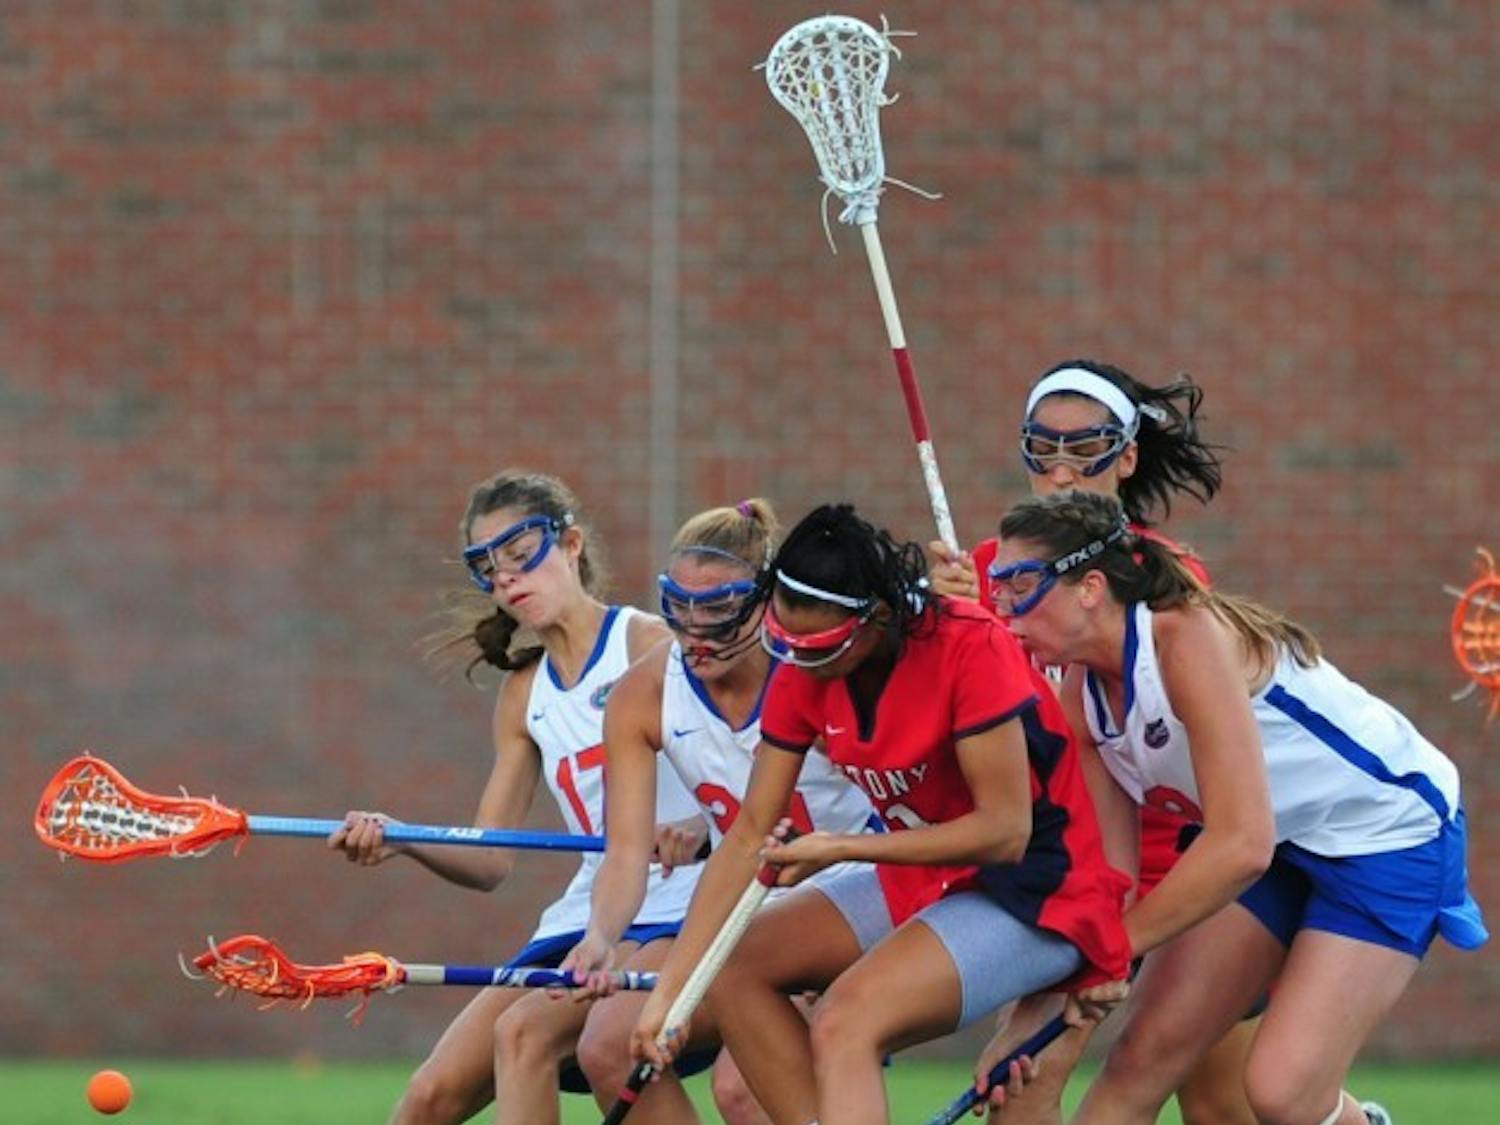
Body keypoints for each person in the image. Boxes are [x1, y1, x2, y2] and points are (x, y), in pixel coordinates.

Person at [988, 489, 1487, 1125]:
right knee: (1141, 1059)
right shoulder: (1083, 696)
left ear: (1089, 587)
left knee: (1281, 1094)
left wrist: (1113, 951)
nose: (1003, 609)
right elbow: (1112, 883)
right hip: (1279, 843)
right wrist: (1045, 1004)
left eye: (1020, 585)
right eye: (998, 588)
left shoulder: (1186, 641)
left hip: (1389, 834)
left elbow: (1239, 844)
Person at [629, 503, 1132, 1125]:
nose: (799, 665)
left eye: (820, 647)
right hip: (926, 880)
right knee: (732, 969)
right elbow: (749, 834)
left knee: (846, 1018)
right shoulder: (805, 666)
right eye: (786, 645)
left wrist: (843, 847)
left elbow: (1004, 833)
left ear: (878, 620)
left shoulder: (970, 645)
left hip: (1037, 891)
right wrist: (674, 991)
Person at [931, 359, 1255, 1123]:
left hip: (1179, 871)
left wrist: (986, 632)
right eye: (1042, 449)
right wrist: (947, 628)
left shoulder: (1166, 578)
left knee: (1225, 1102)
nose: (1064, 468)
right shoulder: (982, 573)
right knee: (1022, 1078)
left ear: (1129, 455)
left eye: (1088, 448)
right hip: (1071, 871)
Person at [327, 469, 704, 1125]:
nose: (506, 577)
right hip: (586, 911)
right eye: (487, 566)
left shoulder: (650, 645)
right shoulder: (524, 693)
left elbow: (747, 764)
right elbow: (491, 857)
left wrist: (701, 821)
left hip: (679, 898)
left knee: (523, 1032)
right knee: (428, 1097)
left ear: (572, 544)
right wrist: (404, 839)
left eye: (521, 552)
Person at [559, 498, 878, 1124]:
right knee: (608, 1047)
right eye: (679, 609)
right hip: (744, 902)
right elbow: (626, 851)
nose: (696, 633)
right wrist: (601, 936)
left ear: (764, 600)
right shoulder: (645, 691)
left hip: (851, 890)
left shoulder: (814, 669)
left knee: (741, 1087)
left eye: (720, 610)